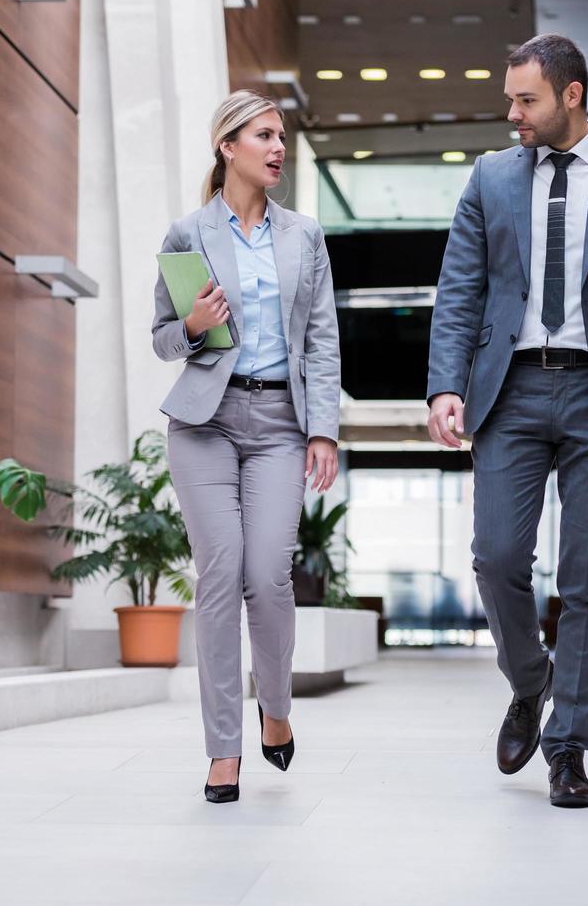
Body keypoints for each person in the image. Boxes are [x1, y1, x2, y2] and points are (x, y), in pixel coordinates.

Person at [426, 34, 588, 808]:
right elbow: (459, 290)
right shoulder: (489, 177)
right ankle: (528, 682)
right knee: (496, 557)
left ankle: (568, 747)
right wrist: (446, 385)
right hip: (507, 393)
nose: (512, 112)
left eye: (525, 99)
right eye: (511, 98)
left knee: (584, 580)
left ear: (571, 95)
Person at [152, 90, 341, 804]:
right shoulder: (186, 234)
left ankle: (278, 709)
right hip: (205, 422)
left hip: (280, 427)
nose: (278, 148)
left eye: (281, 137)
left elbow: (321, 340)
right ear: (226, 146)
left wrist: (322, 429)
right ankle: (222, 750)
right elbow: (162, 338)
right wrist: (195, 325)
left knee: (267, 576)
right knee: (220, 576)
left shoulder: (305, 237)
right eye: (264, 135)